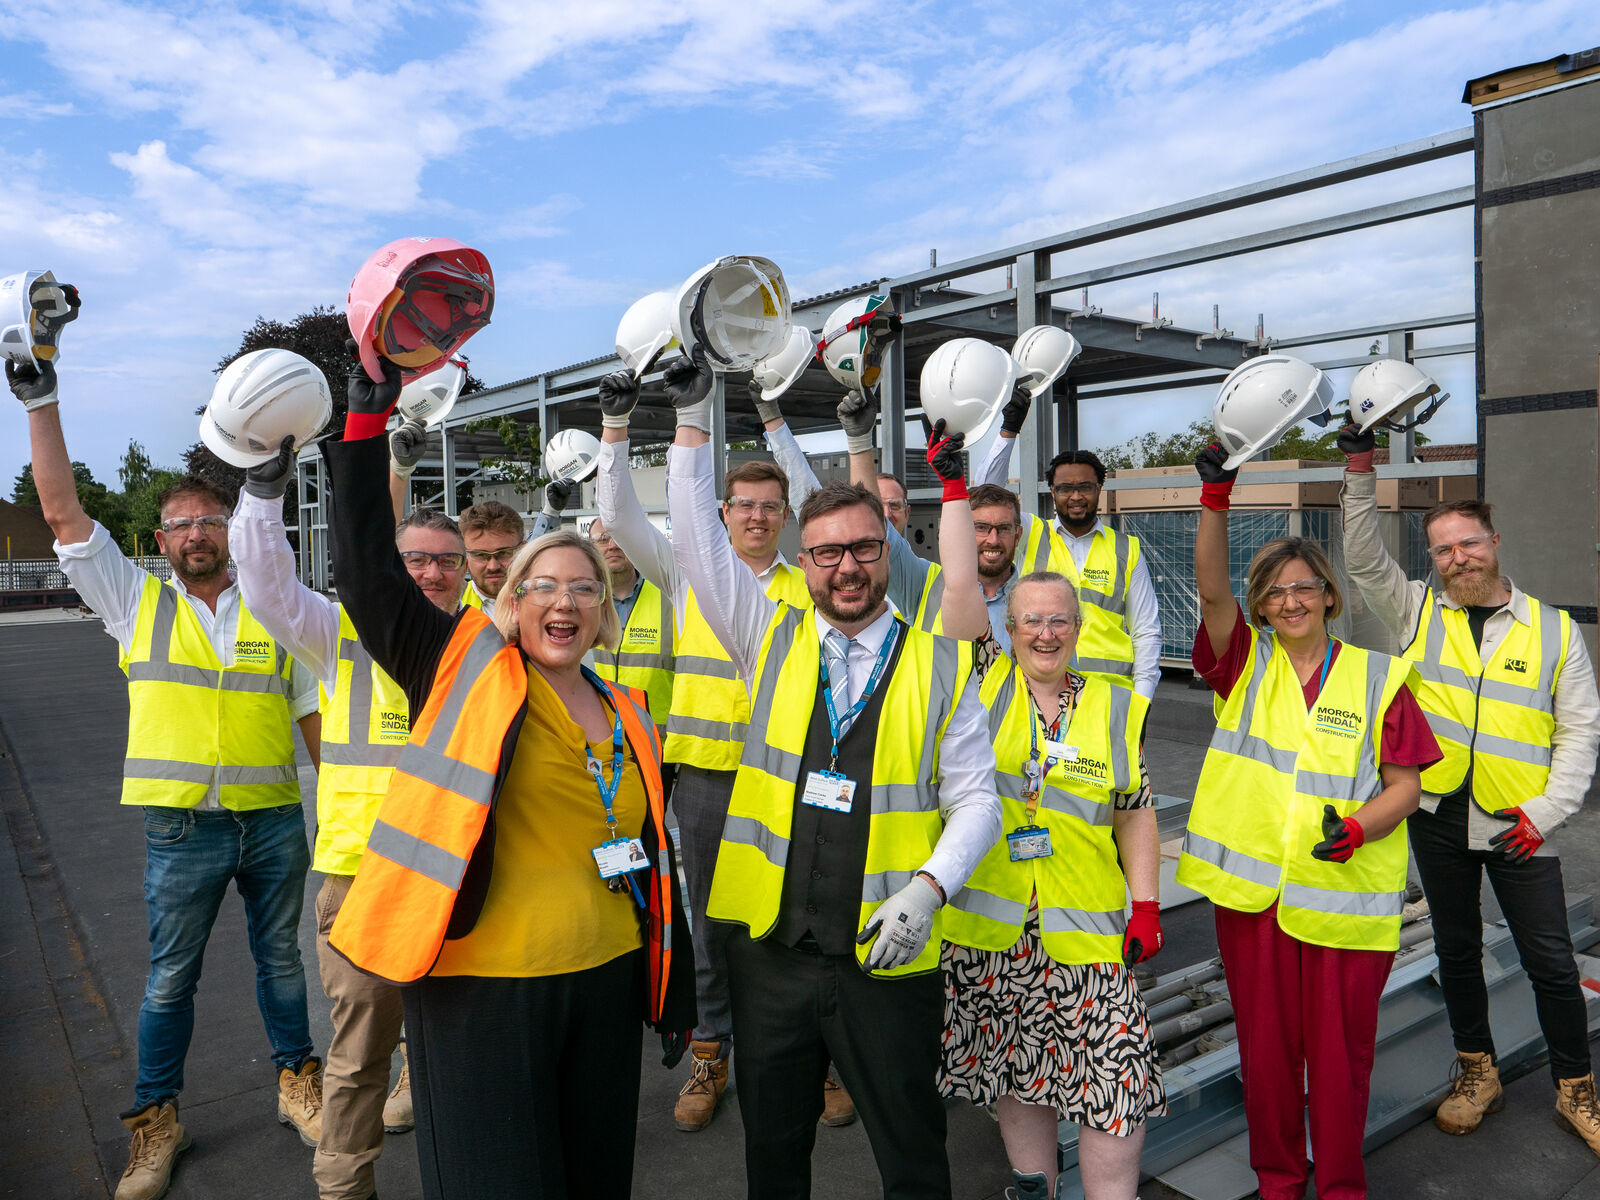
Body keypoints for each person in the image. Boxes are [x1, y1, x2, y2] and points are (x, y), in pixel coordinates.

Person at [320, 355, 694, 1199]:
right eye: (544, 587)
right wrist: (364, 428)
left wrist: (669, 985)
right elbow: (369, 576)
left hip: (602, 982)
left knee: (596, 1180)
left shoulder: (628, 707)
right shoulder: (461, 668)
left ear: (605, 611)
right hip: (482, 990)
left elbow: (648, 858)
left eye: (584, 589)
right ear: (512, 602)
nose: (565, 603)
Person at [665, 345, 1003, 1200]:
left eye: (861, 549)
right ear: (801, 559)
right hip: (773, 955)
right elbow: (700, 545)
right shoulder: (763, 636)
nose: (845, 567)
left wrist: (929, 889)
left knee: (912, 1155)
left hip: (887, 963)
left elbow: (976, 801)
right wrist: (690, 423)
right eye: (824, 554)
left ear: (887, 552)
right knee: (773, 1156)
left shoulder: (939, 661)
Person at [10, 351, 325, 1200]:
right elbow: (62, 511)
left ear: (233, 531)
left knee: (285, 967)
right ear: (161, 541)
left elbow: (311, 718)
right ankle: (158, 1121)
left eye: (211, 522)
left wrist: (343, 813)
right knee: (168, 979)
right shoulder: (133, 602)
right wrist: (42, 400)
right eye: (181, 523)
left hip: (271, 820)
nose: (197, 534)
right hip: (181, 828)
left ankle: (299, 1082)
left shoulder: (273, 607)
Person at [1176, 445, 1440, 1200]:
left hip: (1344, 900)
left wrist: (1361, 827)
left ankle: (1341, 1187)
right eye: (1276, 592)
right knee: (1265, 1057)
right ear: (1259, 605)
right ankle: (1280, 1182)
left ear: (1329, 595)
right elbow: (1208, 586)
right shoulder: (1241, 663)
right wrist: (1217, 495)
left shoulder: (1377, 675)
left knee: (1340, 1059)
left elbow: (1407, 789)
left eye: (1306, 588)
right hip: (1254, 900)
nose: (1291, 601)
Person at [1337, 425, 1600, 1151]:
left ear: (1494, 541)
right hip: (1435, 811)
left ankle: (1576, 1089)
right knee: (1455, 948)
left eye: (1469, 544)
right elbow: (1360, 556)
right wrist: (1359, 469)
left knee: (1548, 960)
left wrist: (1547, 812)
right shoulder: (1416, 607)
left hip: (1521, 822)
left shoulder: (1553, 630)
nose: (1458, 559)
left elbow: (1579, 733)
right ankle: (1476, 1070)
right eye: (1443, 550)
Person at [233, 436, 473, 1200]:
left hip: (466, 878)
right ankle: (343, 1185)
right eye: (415, 560)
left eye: (446, 560)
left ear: (465, 570)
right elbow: (268, 588)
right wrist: (264, 495)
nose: (431, 573)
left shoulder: (487, 642)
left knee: (466, 1048)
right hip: (361, 877)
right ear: (389, 570)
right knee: (361, 1049)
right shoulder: (336, 632)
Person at [595, 367, 820, 1132]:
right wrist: (616, 431)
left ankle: (811, 1055)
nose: (757, 517)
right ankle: (711, 1047)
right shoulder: (686, 573)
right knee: (711, 925)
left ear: (786, 514)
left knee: (797, 914)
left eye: (770, 507)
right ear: (720, 511)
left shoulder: (811, 585)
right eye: (744, 506)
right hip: (703, 781)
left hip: (786, 779)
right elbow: (617, 517)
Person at [941, 572, 1164, 1200]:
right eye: (1031, 621)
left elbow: (1135, 810)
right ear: (1007, 630)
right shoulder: (973, 688)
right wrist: (953, 494)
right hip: (991, 929)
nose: (1045, 633)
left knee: (1117, 1080)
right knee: (1015, 1071)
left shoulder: (1117, 704)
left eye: (1059, 620)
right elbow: (955, 587)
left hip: (1086, 926)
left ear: (1078, 627)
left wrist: (1145, 905)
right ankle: (1033, 1190)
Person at [755, 382, 987, 644]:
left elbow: (962, 584)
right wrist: (774, 421)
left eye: (894, 505)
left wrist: (953, 482)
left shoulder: (919, 580)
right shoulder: (803, 637)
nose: (848, 565)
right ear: (805, 562)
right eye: (880, 503)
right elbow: (810, 499)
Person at [980, 418, 1162, 699]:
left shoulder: (1127, 549)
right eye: (1065, 488)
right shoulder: (1031, 534)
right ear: (1052, 491)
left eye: (1085, 487)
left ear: (1099, 487)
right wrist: (1008, 432)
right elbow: (985, 496)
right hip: (1039, 692)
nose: (1075, 496)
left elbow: (1146, 632)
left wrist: (1142, 701)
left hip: (1110, 698)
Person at [387, 419, 567, 614]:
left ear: (523, 550)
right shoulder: (448, 599)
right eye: (481, 555)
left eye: (504, 553)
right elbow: (385, 551)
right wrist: (399, 471)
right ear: (465, 561)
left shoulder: (547, 600)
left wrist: (551, 513)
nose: (493, 566)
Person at [585, 517, 677, 741]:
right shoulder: (577, 601)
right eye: (603, 539)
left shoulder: (670, 598)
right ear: (590, 549)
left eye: (621, 538)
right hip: (596, 739)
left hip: (656, 742)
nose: (613, 545)